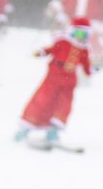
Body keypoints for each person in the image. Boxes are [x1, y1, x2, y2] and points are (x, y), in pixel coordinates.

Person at [15, 21, 95, 149]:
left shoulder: (84, 50)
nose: (81, 37)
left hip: (69, 83)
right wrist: (40, 52)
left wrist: (101, 66)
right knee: (42, 102)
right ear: (73, 31)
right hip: (53, 78)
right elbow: (50, 50)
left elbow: (87, 68)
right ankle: (25, 129)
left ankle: (53, 132)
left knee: (63, 106)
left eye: (84, 34)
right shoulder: (63, 42)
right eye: (79, 33)